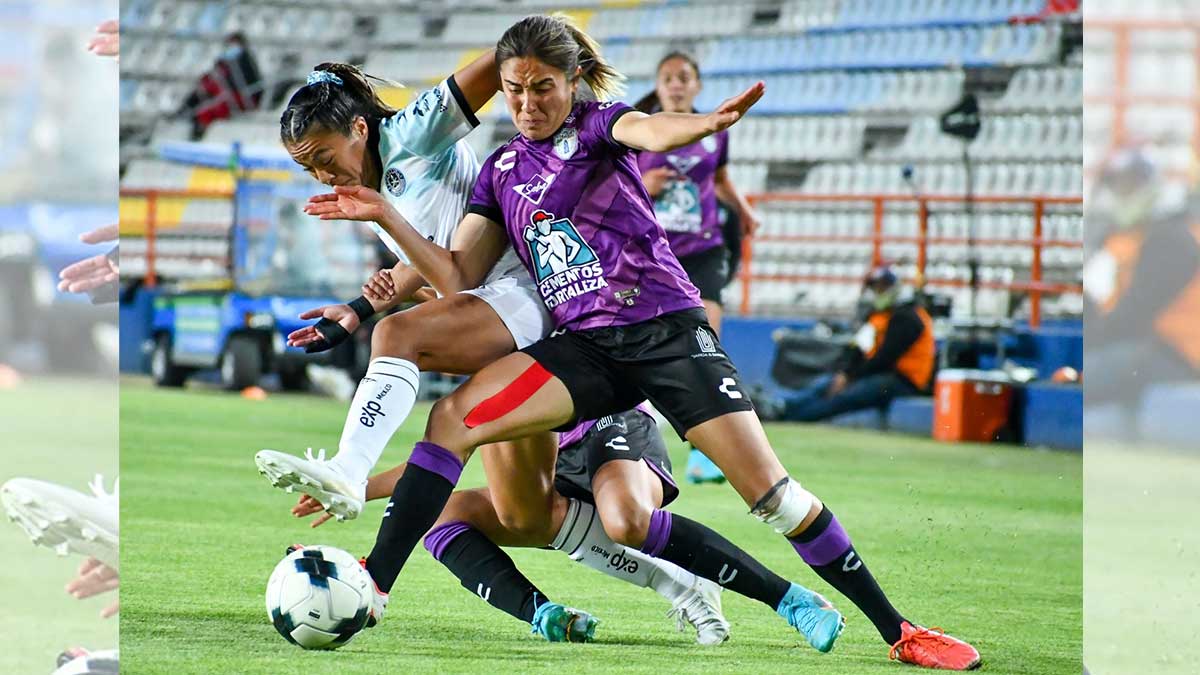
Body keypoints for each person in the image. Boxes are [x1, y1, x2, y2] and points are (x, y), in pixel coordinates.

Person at [307, 14, 980, 669]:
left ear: (573, 81)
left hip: (667, 333)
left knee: (775, 498)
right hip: (587, 347)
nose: (527, 103)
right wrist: (385, 214)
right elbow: (458, 276)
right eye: (514, 89)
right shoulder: (500, 169)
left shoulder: (599, 125)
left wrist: (703, 125)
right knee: (454, 417)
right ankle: (376, 584)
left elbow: (651, 129)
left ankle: (900, 629)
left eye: (542, 87)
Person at [254, 52, 736, 641]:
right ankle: (678, 585)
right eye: (308, 169)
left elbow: (496, 66)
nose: (322, 176)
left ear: (359, 128)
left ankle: (353, 490)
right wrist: (357, 310)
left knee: (399, 336)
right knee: (523, 515)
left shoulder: (413, 132)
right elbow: (439, 255)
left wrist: (544, 47)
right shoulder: (376, 181)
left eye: (324, 159)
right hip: (505, 325)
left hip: (533, 306)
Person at [295, 404, 741, 646]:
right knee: (446, 515)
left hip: (608, 421)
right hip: (550, 451)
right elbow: (443, 460)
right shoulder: (478, 341)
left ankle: (681, 585)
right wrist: (355, 487)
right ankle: (543, 614)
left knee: (622, 518)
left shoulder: (503, 316)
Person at [633, 51, 761, 484]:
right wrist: (645, 185)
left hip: (703, 249)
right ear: (658, 85)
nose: (676, 84)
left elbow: (720, 180)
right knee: (641, 344)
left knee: (707, 344)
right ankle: (637, 433)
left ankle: (705, 456)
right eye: (668, 77)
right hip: (653, 251)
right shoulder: (639, 130)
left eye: (683, 77)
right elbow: (611, 190)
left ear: (697, 85)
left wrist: (744, 210)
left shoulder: (714, 131)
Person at [1083, 148, 1200, 410]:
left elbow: (1134, 314)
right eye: (1118, 186)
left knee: (1088, 374)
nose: (1121, 194)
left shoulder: (1172, 239)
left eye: (1130, 185)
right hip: (1156, 347)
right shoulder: (1128, 237)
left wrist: (1092, 340)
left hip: (1181, 353)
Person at [770, 265, 935, 422]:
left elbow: (885, 358)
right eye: (876, 288)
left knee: (843, 396)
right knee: (826, 383)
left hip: (904, 380)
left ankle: (789, 417)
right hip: (881, 374)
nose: (878, 292)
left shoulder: (909, 317)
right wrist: (845, 373)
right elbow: (859, 347)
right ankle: (781, 407)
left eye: (882, 287)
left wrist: (851, 377)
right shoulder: (880, 315)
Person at [177, 32, 263, 140]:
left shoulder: (246, 61)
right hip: (228, 94)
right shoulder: (226, 61)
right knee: (204, 87)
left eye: (234, 44)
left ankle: (197, 131)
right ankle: (185, 110)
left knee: (207, 111)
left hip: (242, 97)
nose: (231, 48)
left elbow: (244, 83)